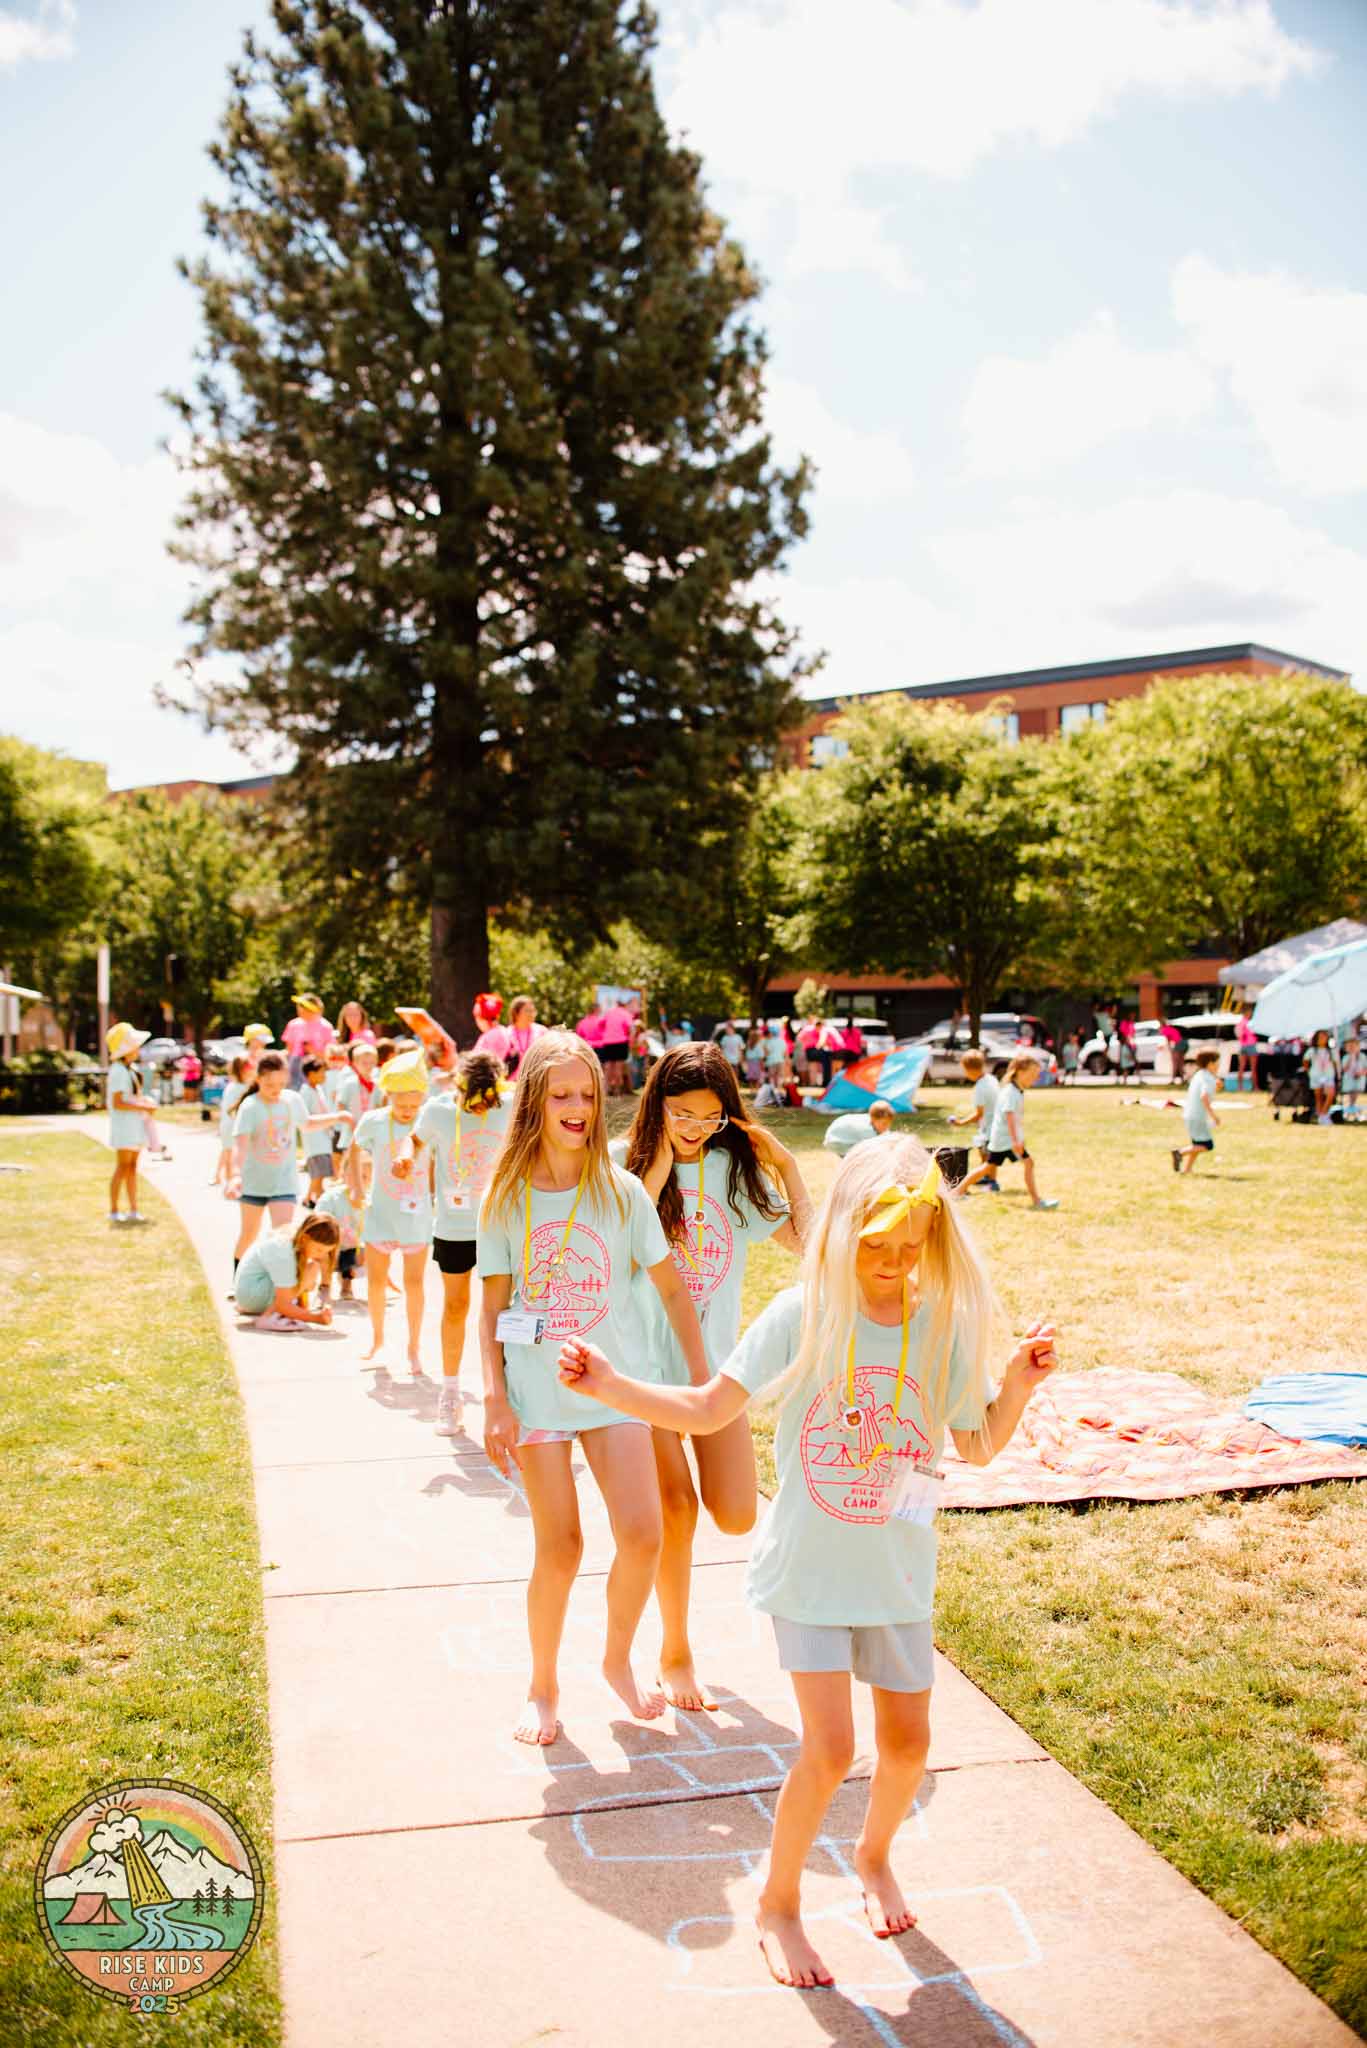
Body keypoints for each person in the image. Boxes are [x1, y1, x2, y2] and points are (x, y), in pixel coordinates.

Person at [559, 1135, 1058, 1989]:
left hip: (897, 1576)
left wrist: (1015, 1384)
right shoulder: (802, 1315)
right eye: (876, 1248)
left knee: (907, 1747)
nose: (893, 1266)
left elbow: (974, 1445)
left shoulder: (940, 1324)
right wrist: (611, 1387)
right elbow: (707, 1408)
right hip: (810, 1576)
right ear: (839, 1233)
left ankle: (873, 1857)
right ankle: (778, 1904)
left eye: (911, 1249)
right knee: (828, 1750)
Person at [477, 1029, 709, 1746]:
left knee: (643, 1534)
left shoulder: (621, 1192)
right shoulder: (505, 1198)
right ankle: (541, 1686)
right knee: (562, 1547)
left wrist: (702, 1381)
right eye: (561, 1096)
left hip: (615, 1391)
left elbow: (672, 1291)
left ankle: (616, 1658)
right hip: (537, 1397)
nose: (577, 1108)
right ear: (534, 1102)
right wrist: (494, 1400)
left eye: (587, 1094)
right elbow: (492, 1310)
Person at [616, 1043, 812, 1711]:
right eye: (682, 1115)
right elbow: (617, 1255)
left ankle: (671, 1637)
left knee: (734, 1513)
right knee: (676, 1509)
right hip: (644, 1371)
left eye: (710, 1117)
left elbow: (809, 1246)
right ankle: (674, 1652)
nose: (695, 1129)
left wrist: (787, 1168)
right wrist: (655, 1175)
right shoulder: (622, 1167)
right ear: (657, 1107)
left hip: (716, 1375)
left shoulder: (730, 1171)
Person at [416, 1050, 512, 1434]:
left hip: (499, 1226)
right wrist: (404, 1159)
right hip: (454, 1228)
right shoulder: (438, 1111)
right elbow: (414, 1142)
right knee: (456, 1307)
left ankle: (507, 1398)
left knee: (501, 1315)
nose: (481, 1107)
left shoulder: (510, 1107)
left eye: (488, 1099)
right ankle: (450, 1393)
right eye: (473, 1098)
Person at [349, 1047, 433, 1374]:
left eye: (414, 1105)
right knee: (375, 1281)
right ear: (389, 1096)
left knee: (414, 1283)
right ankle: (377, 1338)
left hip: (416, 1217)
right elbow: (354, 1150)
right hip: (381, 1214)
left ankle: (414, 1346)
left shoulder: (428, 1123)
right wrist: (356, 1187)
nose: (408, 1111)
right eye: (401, 1105)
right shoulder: (373, 1121)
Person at [227, 1051, 348, 1280]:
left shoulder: (291, 1100)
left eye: (281, 1084)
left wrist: (337, 1117)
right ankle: (238, 1281)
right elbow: (240, 1146)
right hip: (254, 1183)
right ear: (258, 1079)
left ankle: (283, 1284)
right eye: (270, 1085)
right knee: (249, 1234)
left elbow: (307, 1124)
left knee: (282, 1236)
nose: (276, 1090)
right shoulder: (250, 1106)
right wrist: (235, 1175)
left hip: (284, 1182)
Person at [958, 1054, 1058, 1208]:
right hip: (1005, 1141)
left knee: (988, 1167)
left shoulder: (1016, 1090)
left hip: (1005, 1140)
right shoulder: (1011, 1092)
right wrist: (1016, 1141)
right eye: (1033, 1074)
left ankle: (957, 1191)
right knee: (1026, 1163)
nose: (1035, 1078)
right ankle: (1037, 1201)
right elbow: (1009, 1116)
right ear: (1020, 1072)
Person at [233, 1213, 341, 1329]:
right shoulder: (285, 1252)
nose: (321, 1256)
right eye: (319, 1250)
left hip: (248, 1295)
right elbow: (282, 1305)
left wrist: (302, 1310)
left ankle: (273, 1311)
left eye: (326, 1251)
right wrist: (316, 1318)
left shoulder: (292, 1240)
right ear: (305, 1238)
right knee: (311, 1270)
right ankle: (267, 1318)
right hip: (251, 1295)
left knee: (307, 1273)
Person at [105, 1022, 158, 1225]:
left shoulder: (130, 1070)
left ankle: (134, 1208)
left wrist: (144, 1104)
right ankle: (114, 1209)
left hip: (134, 1126)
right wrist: (143, 1106)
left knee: (132, 1167)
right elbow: (118, 1102)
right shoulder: (118, 1071)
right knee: (122, 1167)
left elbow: (130, 1097)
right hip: (124, 1127)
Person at [947, 1053, 998, 1192]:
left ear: (970, 1070)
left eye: (965, 1070)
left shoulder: (980, 1087)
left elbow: (979, 1114)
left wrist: (960, 1123)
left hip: (989, 1126)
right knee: (983, 1151)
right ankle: (986, 1176)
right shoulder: (991, 1079)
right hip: (994, 1123)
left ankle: (993, 1182)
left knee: (989, 1155)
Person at [1173, 1046, 1223, 1171]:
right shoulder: (1208, 1078)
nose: (1219, 1065)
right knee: (1207, 1145)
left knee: (1197, 1144)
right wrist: (1213, 1116)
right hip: (1198, 1116)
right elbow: (1204, 1096)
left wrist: (1216, 1086)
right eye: (1217, 1062)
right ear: (1210, 1064)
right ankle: (1180, 1153)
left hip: (1190, 1115)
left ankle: (1187, 1169)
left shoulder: (1200, 1074)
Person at [314, 1179, 361, 1301]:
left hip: (353, 1245)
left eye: (366, 1177)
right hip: (332, 1241)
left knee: (354, 1252)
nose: (360, 1180)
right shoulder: (331, 1197)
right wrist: (337, 1232)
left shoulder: (368, 1198)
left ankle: (347, 1283)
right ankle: (325, 1285)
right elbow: (319, 1218)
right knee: (325, 1250)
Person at [298, 1054, 336, 1208]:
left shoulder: (318, 1089)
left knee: (320, 1172)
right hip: (314, 1139)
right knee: (318, 1172)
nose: (324, 1075)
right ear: (311, 1074)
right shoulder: (305, 1092)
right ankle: (317, 1199)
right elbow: (305, 1117)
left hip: (324, 1137)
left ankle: (310, 1197)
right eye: (321, 1072)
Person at [214, 1054, 252, 1190]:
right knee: (231, 1154)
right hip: (234, 1125)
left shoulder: (231, 1086)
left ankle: (220, 1177)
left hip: (227, 1124)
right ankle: (229, 1182)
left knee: (227, 1151)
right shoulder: (242, 1088)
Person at [282, 993, 335, 1089]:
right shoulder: (293, 1024)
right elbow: (289, 1050)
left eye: (304, 1007)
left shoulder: (325, 1026)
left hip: (316, 1067)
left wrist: (314, 1051)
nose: (300, 1009)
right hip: (295, 1066)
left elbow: (330, 1054)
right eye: (300, 1006)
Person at [823, 1101, 895, 1157]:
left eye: (889, 1123)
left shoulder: (873, 1121)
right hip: (836, 1141)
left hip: (843, 1136)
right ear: (873, 1119)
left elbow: (886, 1136)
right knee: (863, 1156)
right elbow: (879, 1146)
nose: (886, 1127)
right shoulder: (866, 1130)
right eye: (884, 1124)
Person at [1303, 1030, 1338, 1124]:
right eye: (1320, 1037)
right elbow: (1305, 1061)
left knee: (1330, 1094)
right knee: (1319, 1097)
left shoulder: (1331, 1051)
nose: (1323, 1039)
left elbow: (1335, 1063)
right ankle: (1320, 1117)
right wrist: (1309, 1072)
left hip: (1328, 1076)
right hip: (1316, 1076)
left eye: (1324, 1037)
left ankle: (1324, 1114)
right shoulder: (1312, 1050)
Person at [1235, 1007, 1258, 1090]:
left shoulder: (1240, 1023)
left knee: (1241, 1067)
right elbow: (1254, 1032)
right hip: (1251, 1045)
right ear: (1247, 1013)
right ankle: (1255, 1087)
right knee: (1253, 1068)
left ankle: (1239, 1087)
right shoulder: (1250, 1023)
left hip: (1242, 1046)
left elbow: (1238, 1035)